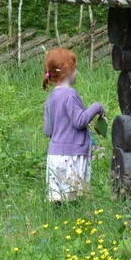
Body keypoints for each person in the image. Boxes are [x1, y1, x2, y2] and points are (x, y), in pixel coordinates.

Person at [43, 48, 105, 203]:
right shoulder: (70, 94)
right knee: (73, 198)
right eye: (75, 68)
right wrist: (96, 107)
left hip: (55, 156)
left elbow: (48, 130)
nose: (77, 72)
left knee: (58, 199)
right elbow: (79, 122)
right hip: (71, 155)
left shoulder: (51, 97)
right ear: (67, 70)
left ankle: (57, 223)